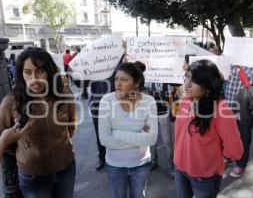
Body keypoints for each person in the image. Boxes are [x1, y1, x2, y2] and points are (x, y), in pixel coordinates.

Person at [0, 47, 77, 198]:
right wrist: (27, 153)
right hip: (33, 175)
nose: (34, 78)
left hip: (66, 168)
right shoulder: (11, 102)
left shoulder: (64, 95)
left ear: (49, 72)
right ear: (21, 74)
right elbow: (3, 141)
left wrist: (61, 145)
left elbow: (72, 124)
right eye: (28, 72)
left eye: (40, 71)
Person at [174, 60, 244, 198]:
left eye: (193, 81)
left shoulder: (221, 109)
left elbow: (236, 150)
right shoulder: (186, 101)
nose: (187, 84)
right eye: (187, 77)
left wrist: (216, 158)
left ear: (207, 85)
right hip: (179, 168)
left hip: (204, 177)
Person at [99, 62, 158, 198]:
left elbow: (152, 138)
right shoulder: (106, 101)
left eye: (124, 80)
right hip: (115, 165)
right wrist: (140, 138)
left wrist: (116, 133)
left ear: (136, 83)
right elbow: (104, 139)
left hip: (141, 164)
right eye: (116, 79)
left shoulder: (148, 102)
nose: (118, 84)